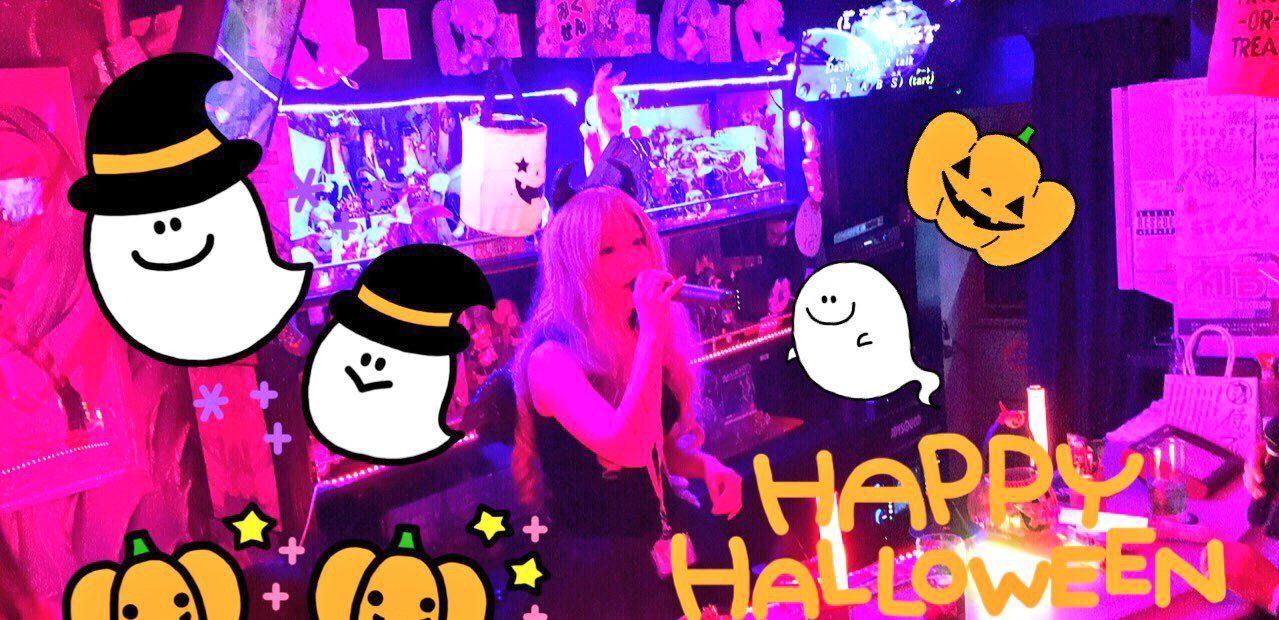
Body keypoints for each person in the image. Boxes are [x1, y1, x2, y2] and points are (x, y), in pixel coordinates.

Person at [512, 186, 743, 618]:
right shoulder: (551, 359)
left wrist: (704, 466)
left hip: (663, 539)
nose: (634, 260)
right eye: (608, 250)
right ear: (574, 266)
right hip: (602, 569)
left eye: (639, 242)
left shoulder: (634, 332)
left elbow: (654, 447)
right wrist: (652, 333)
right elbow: (627, 448)